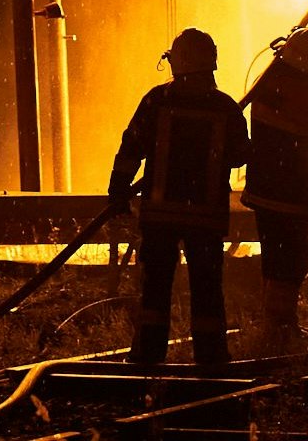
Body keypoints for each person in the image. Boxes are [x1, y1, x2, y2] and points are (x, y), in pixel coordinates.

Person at [107, 27, 250, 370]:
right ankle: (211, 356)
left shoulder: (157, 101)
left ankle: (148, 355)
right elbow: (240, 156)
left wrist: (118, 190)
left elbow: (131, 148)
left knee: (155, 287)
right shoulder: (225, 107)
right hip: (207, 217)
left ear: (178, 62)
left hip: (160, 215)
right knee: (207, 287)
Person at [241, 26, 308, 354]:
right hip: (287, 189)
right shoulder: (297, 88)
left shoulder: (268, 82)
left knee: (274, 257)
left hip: (264, 187)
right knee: (292, 259)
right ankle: (281, 327)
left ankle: (276, 324)